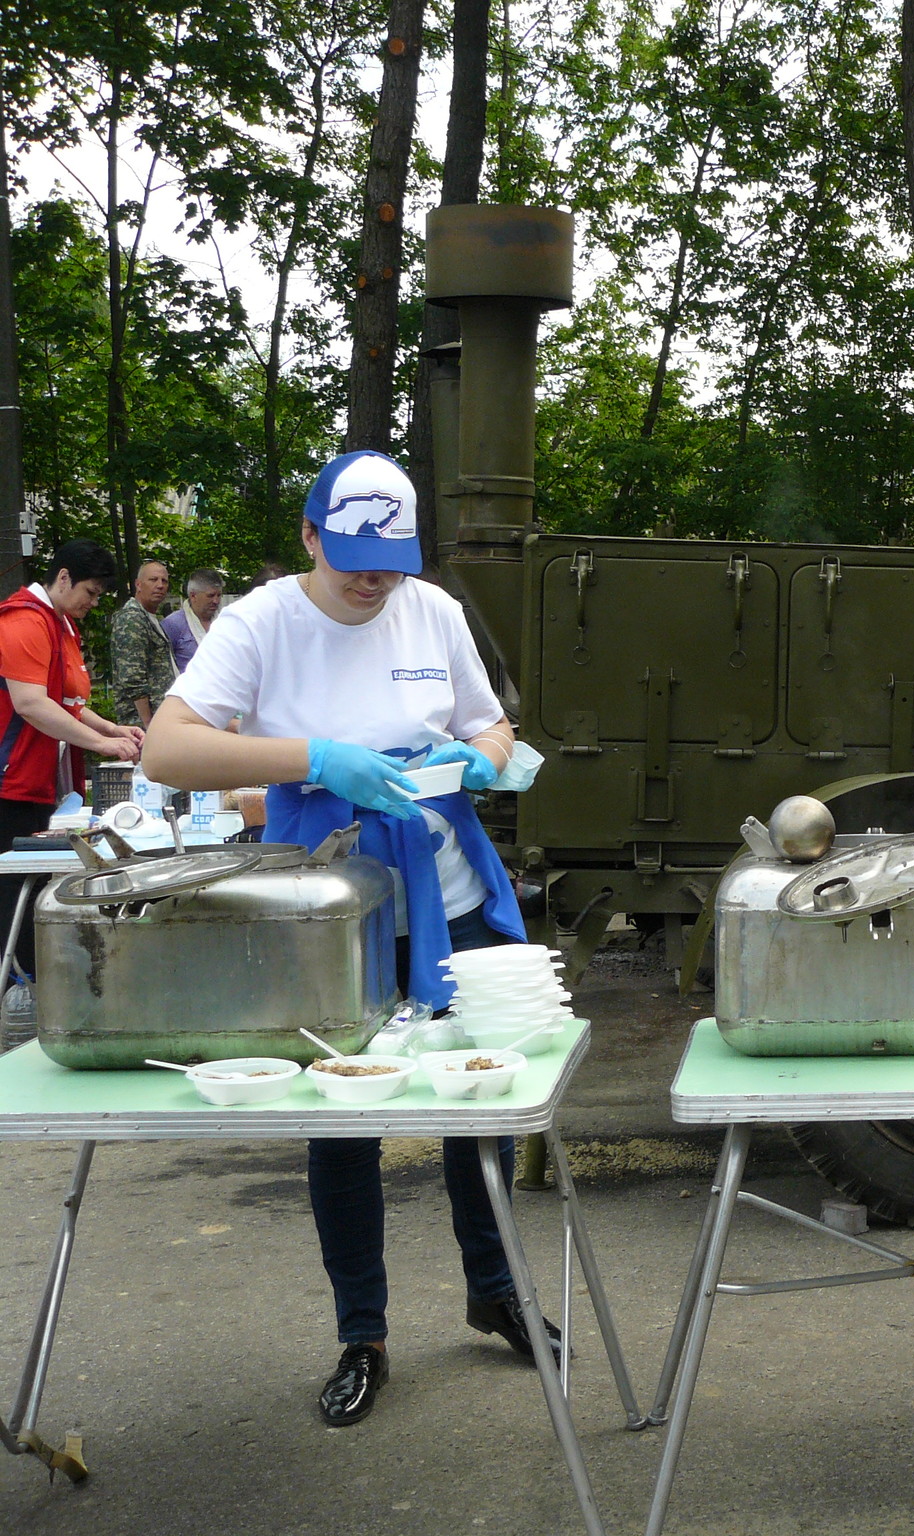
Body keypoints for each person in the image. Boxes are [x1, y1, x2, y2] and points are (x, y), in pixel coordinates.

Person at [141, 450, 549, 1428]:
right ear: (310, 537)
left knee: (475, 1091)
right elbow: (168, 747)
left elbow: (491, 725)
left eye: (392, 559)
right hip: (324, 901)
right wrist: (314, 755)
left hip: (442, 885)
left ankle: (492, 1289)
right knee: (344, 1118)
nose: (372, 579)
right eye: (354, 556)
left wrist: (482, 760)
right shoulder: (262, 622)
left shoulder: (432, 611)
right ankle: (361, 1333)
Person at [0, 541, 144, 967]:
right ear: (63, 577)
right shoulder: (25, 621)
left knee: (34, 891)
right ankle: (19, 990)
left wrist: (111, 728)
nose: (93, 603)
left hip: (43, 779)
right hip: (11, 780)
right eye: (90, 592)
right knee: (14, 897)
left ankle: (32, 982)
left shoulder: (60, 622)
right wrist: (102, 745)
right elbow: (31, 703)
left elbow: (68, 701)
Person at [110, 558, 177, 726]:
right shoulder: (132, 618)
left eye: (164, 581)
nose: (160, 585)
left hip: (161, 716)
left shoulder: (151, 618)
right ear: (138, 584)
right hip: (142, 723)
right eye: (153, 580)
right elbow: (133, 678)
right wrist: (148, 724)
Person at [161, 567, 225, 671]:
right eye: (211, 595)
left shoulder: (224, 623)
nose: (216, 601)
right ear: (193, 596)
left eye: (219, 595)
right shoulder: (172, 625)